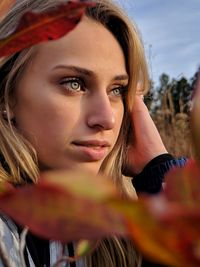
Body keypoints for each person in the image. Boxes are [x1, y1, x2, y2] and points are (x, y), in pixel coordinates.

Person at [0, 0, 186, 267]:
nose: (107, 119)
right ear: (6, 95)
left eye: (117, 90)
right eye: (74, 83)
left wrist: (157, 166)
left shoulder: (112, 238)